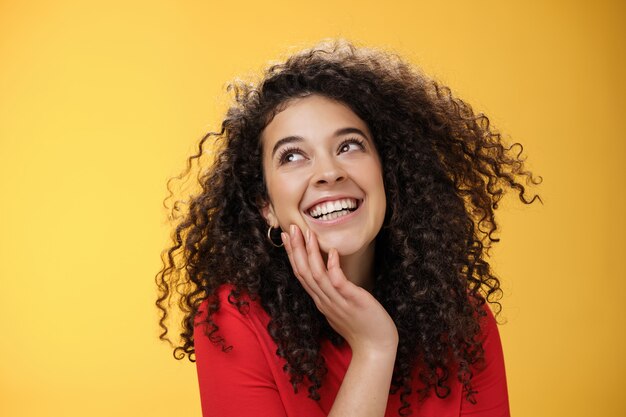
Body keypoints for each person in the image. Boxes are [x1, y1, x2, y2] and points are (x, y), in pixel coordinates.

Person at [155, 39, 541, 417]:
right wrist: (374, 350)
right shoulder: (232, 323)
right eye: (292, 155)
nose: (328, 172)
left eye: (349, 146)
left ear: (387, 173)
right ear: (267, 206)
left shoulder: (465, 323)